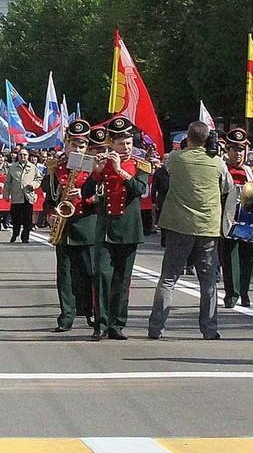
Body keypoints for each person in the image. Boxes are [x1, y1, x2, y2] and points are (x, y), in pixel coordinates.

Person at [147, 121, 227, 340]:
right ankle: (209, 329)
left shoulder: (176, 158)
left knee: (168, 278)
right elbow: (227, 188)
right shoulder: (218, 163)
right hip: (208, 227)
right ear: (208, 138)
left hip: (179, 225)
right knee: (208, 281)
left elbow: (167, 168)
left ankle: (156, 328)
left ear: (187, 138)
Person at [89, 117, 151, 341]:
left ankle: (117, 324)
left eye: (128, 144)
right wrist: (96, 171)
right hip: (105, 228)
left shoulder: (140, 165)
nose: (125, 148)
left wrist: (120, 170)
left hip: (129, 229)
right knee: (102, 276)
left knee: (122, 280)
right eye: (120, 144)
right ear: (111, 144)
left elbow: (139, 190)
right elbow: (88, 190)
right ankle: (100, 323)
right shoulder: (102, 163)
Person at [44, 120, 97, 332]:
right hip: (64, 227)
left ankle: (92, 313)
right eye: (74, 144)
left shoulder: (93, 167)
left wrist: (85, 197)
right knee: (65, 275)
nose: (78, 149)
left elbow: (100, 195)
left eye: (82, 145)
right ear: (66, 143)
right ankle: (66, 316)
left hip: (86, 224)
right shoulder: (55, 168)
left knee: (89, 274)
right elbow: (49, 198)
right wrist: (50, 215)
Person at [220, 128, 253, 308]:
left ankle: (244, 291)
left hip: (249, 220)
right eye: (235, 149)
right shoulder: (222, 169)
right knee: (230, 258)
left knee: (250, 258)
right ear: (228, 150)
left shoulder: (252, 171)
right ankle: (232, 294)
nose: (238, 153)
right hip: (228, 219)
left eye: (242, 149)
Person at [4, 148, 42, 243]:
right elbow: (8, 182)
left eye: (25, 155)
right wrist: (6, 194)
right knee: (15, 218)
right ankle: (15, 233)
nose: (23, 156)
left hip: (28, 196)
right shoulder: (13, 167)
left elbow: (38, 179)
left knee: (27, 218)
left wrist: (33, 185)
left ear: (28, 156)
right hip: (16, 197)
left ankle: (25, 236)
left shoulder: (33, 167)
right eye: (21, 155)